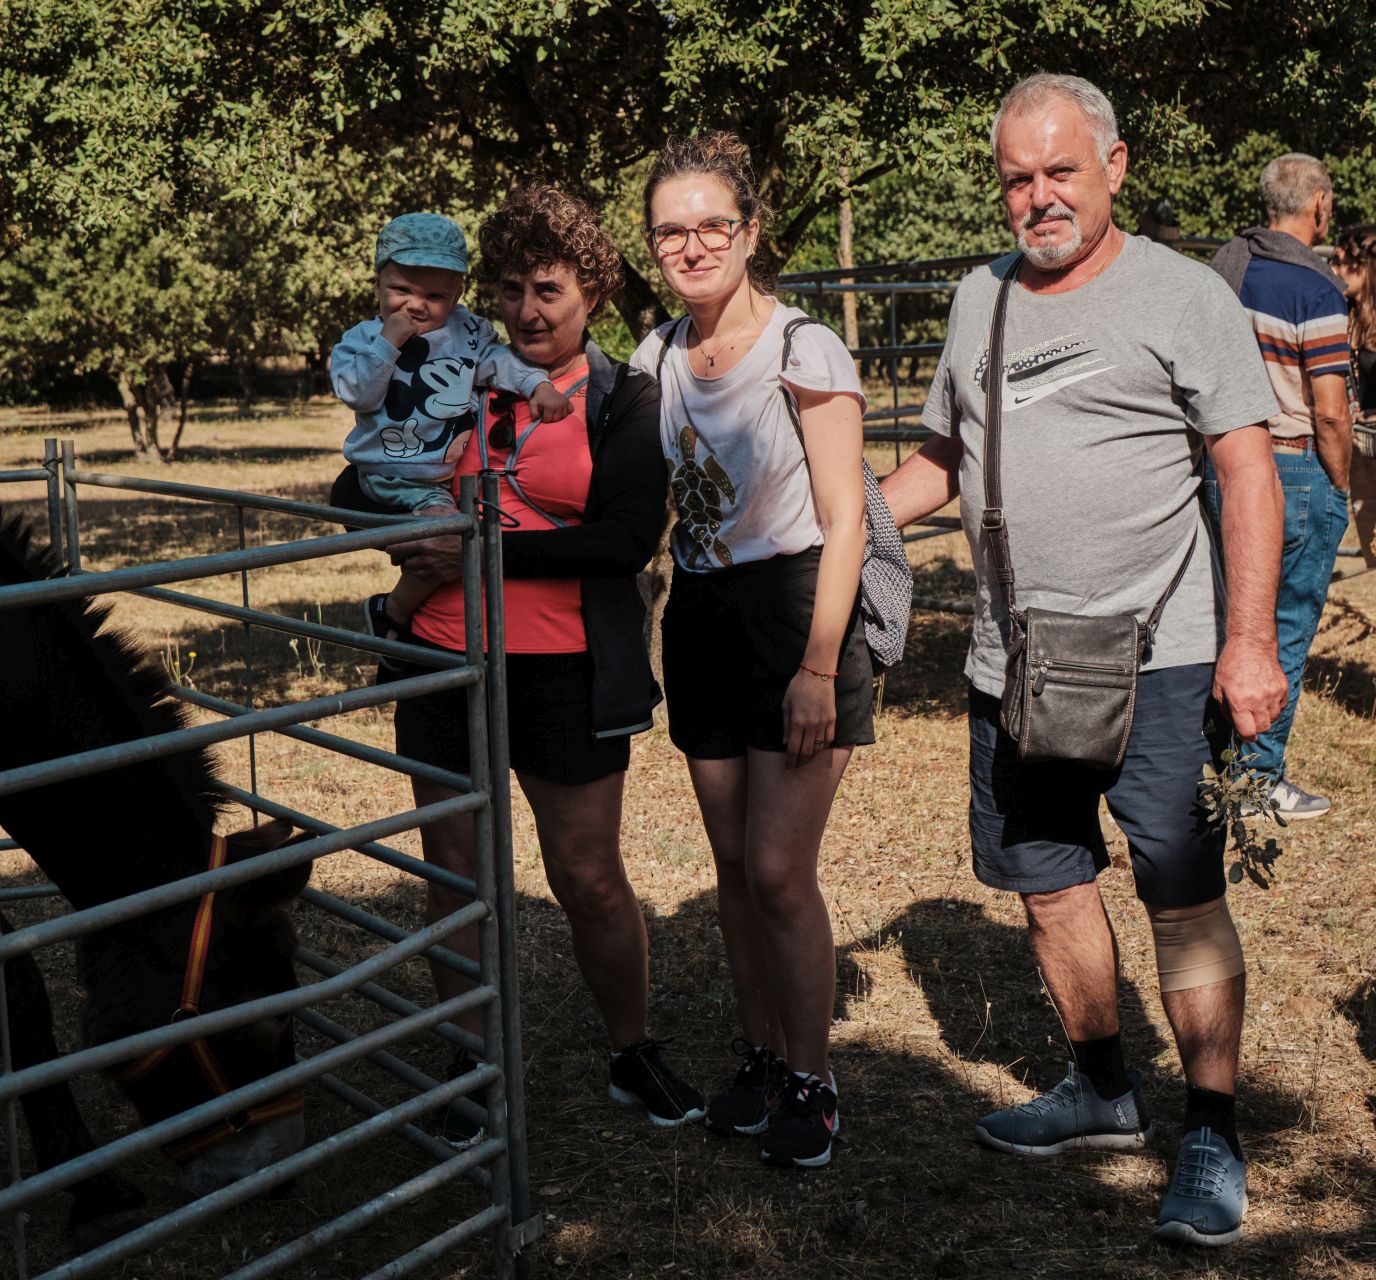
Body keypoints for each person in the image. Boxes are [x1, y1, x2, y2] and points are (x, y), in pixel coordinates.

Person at [880, 74, 1285, 1246]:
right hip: (1017, 658)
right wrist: (845, 511)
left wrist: (1250, 639)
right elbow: (941, 463)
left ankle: (1210, 1125)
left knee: (1180, 888)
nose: (1039, 197)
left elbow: (1248, 469)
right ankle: (1102, 1085)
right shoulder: (978, 298)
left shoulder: (1181, 292)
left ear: (1115, 165)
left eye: (1062, 170)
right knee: (1047, 877)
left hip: (1164, 655)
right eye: (1018, 177)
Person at [367, 184, 704, 1141]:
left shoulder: (624, 400)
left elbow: (626, 537)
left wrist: (477, 547)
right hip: (441, 662)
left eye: (548, 288)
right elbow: (360, 478)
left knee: (588, 876)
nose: (526, 310)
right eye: (509, 288)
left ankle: (631, 1051)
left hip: (564, 670)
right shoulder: (447, 376)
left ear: (592, 290)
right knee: (455, 874)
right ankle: (469, 1072)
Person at [628, 133, 871, 1170]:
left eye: (710, 225)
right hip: (703, 616)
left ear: (749, 230)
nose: (692, 246)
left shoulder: (804, 347)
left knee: (778, 867)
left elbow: (846, 518)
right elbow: (647, 508)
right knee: (731, 864)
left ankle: (815, 1082)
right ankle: (765, 1056)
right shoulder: (653, 358)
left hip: (793, 613)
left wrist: (818, 667)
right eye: (670, 231)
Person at [329, 213, 572, 640]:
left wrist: (539, 384)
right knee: (452, 537)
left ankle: (395, 618)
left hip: (437, 479)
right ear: (377, 286)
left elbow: (500, 363)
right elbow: (359, 394)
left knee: (451, 540)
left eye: (435, 295)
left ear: (458, 294)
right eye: (400, 290)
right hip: (389, 473)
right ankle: (395, 612)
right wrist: (390, 342)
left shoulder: (470, 332)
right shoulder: (364, 339)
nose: (415, 305)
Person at [1206, 155, 1354, 819]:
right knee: (1284, 628)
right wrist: (1340, 480)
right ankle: (1258, 780)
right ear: (1317, 204)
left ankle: (1217, 765)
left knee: (1229, 622)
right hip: (1292, 461)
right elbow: (1329, 408)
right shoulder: (1313, 288)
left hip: (1222, 464)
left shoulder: (1224, 272)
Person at [1331, 223, 1376, 568]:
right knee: (1372, 549)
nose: (1333, 270)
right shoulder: (1344, 317)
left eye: (1342, 262)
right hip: (1362, 448)